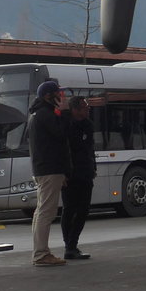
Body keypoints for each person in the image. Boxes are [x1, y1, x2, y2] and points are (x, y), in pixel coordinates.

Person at [28, 79, 71, 267]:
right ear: (48, 96)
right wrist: (66, 112)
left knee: (41, 211)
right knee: (46, 211)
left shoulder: (37, 114)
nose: (61, 97)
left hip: (43, 168)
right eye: (58, 94)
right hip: (49, 168)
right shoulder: (46, 114)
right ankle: (41, 254)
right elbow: (62, 134)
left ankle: (40, 252)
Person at [61, 95, 96, 260]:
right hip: (71, 174)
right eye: (84, 107)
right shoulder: (66, 125)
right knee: (69, 209)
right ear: (74, 110)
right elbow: (65, 150)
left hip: (86, 173)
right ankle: (70, 245)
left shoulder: (88, 125)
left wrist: (92, 168)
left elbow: (89, 149)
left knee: (83, 210)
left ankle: (71, 244)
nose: (88, 109)